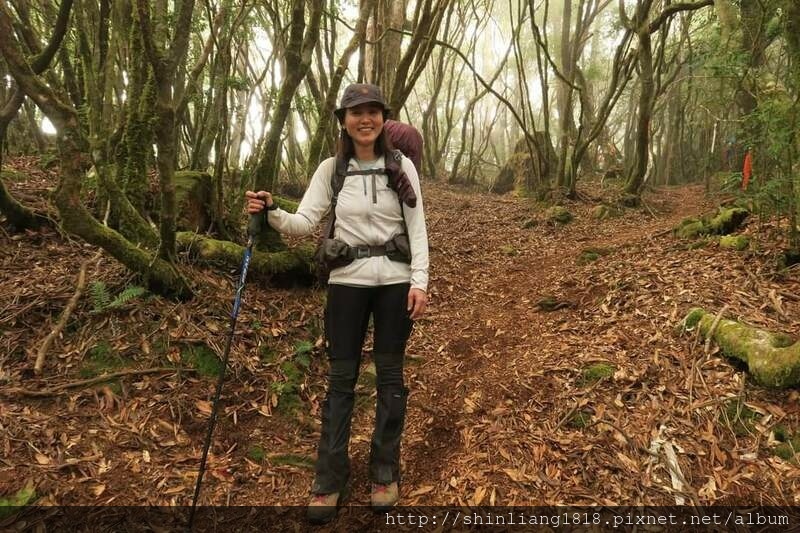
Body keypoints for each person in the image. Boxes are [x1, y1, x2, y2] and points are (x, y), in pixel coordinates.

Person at [245, 83, 429, 523]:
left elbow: (418, 228)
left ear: (383, 118)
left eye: (372, 112)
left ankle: (384, 472)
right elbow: (305, 222)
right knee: (340, 381)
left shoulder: (401, 167)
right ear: (343, 120)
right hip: (346, 283)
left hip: (395, 282)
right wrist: (270, 211)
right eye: (355, 112)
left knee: (389, 378)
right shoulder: (332, 169)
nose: (364, 120)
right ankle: (328, 479)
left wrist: (420, 281)